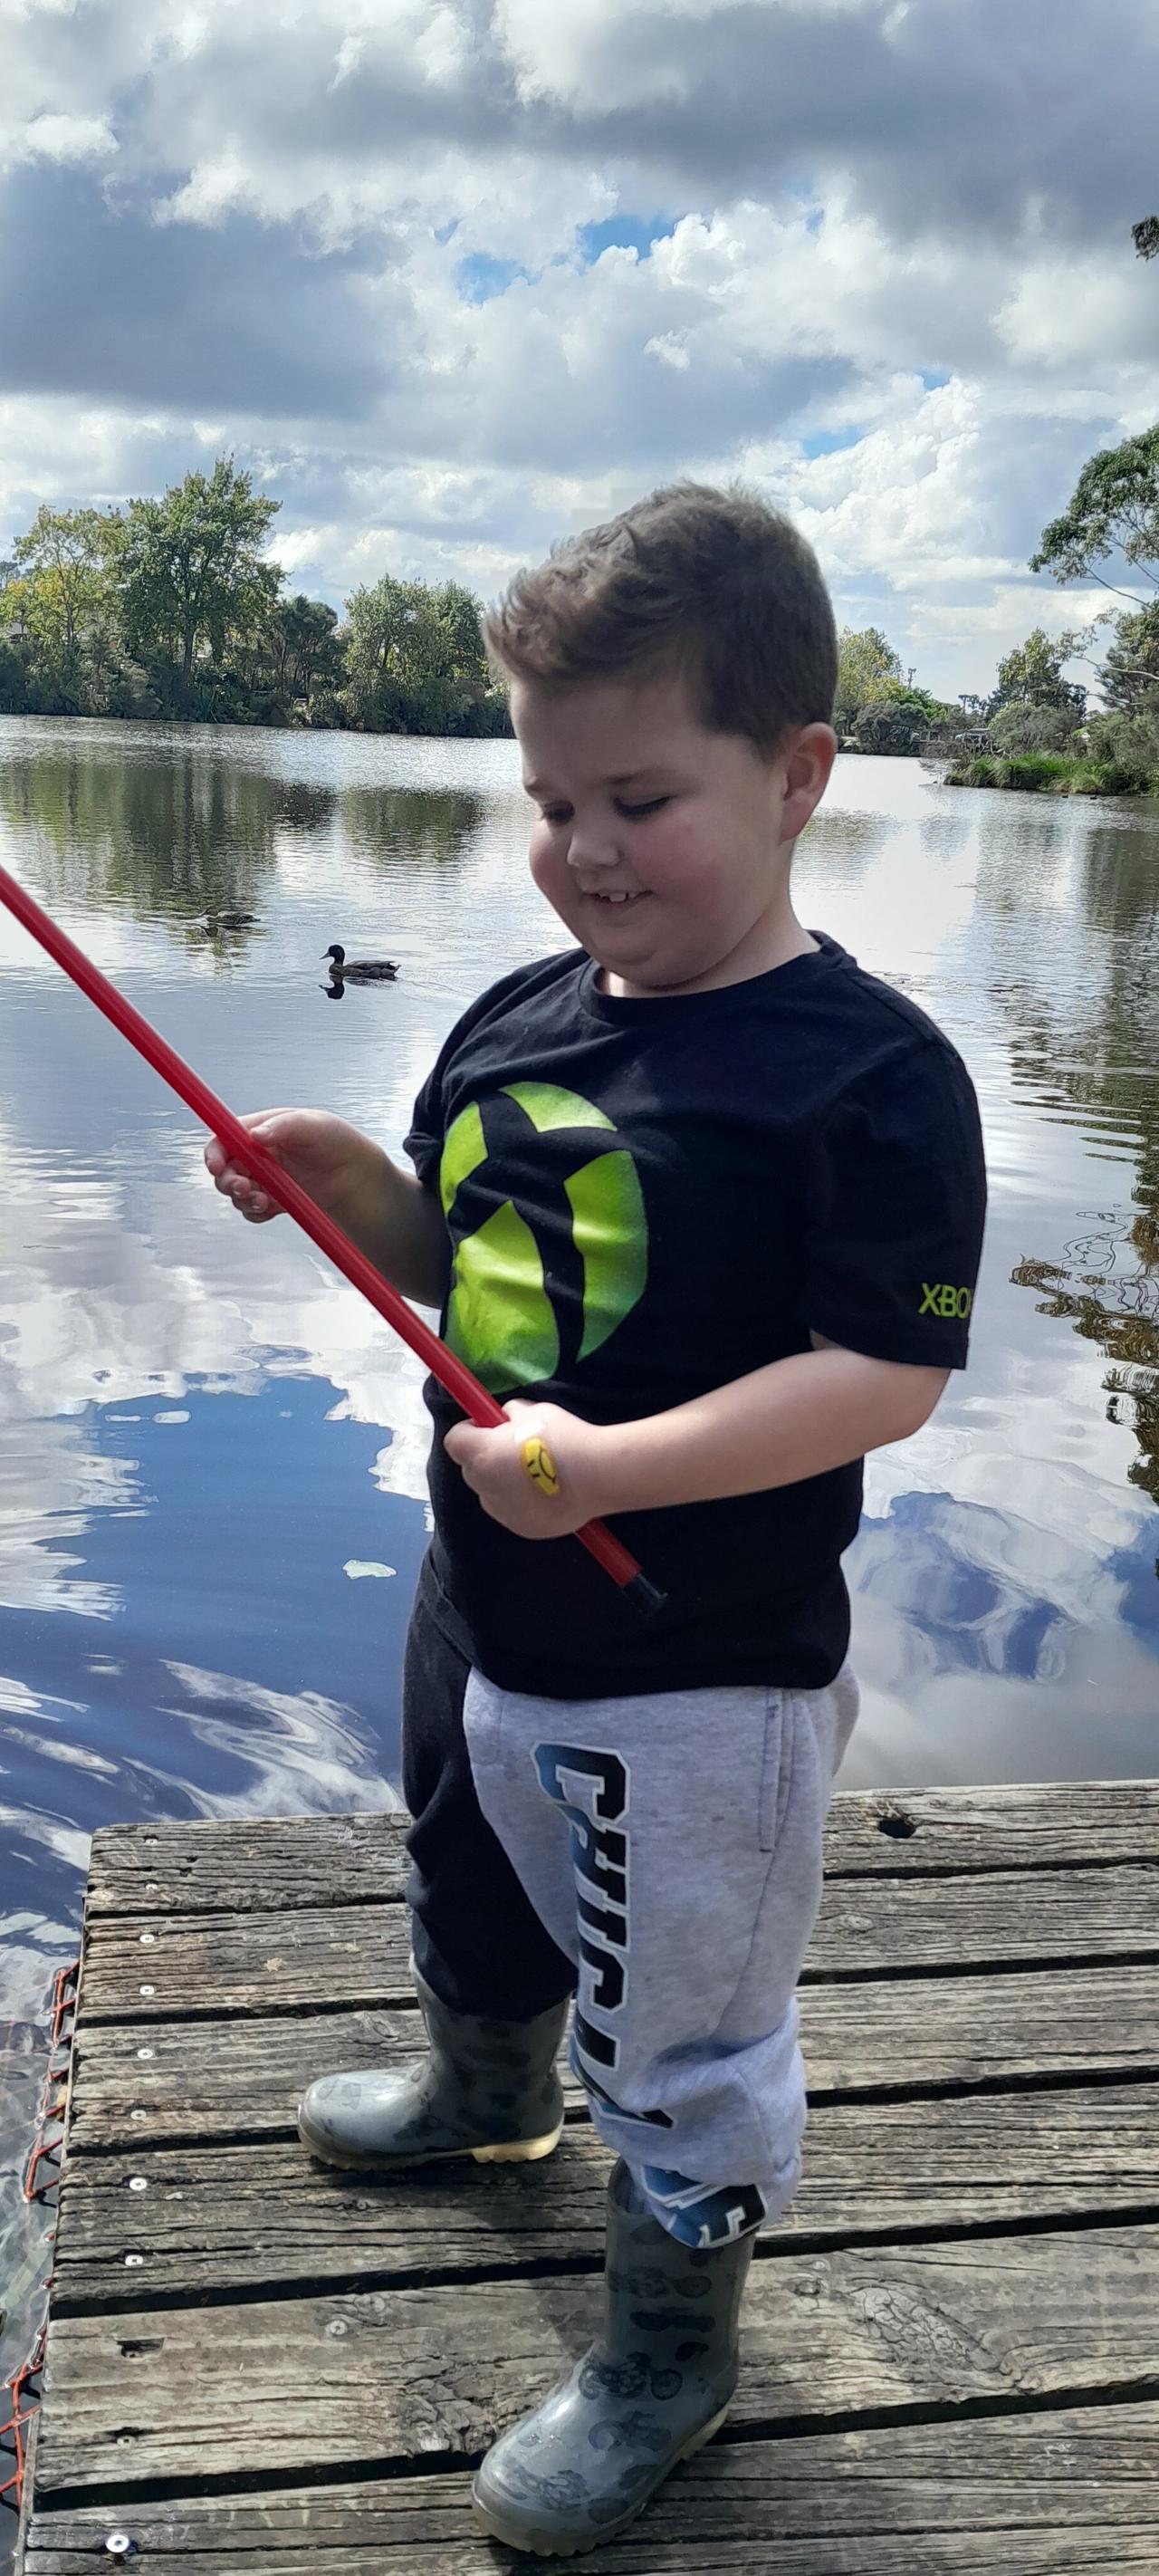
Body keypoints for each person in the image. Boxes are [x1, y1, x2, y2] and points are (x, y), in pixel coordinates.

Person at [206, 482, 987, 2557]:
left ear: (798, 776)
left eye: (641, 801)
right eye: (551, 805)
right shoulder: (514, 1018)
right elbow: (470, 1263)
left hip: (698, 1672)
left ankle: (667, 2352)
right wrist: (351, 1189)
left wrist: (613, 1472)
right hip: (483, 1600)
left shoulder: (867, 1077)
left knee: (685, 2024)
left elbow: (883, 1377)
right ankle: (485, 2098)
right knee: (464, 1869)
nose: (583, 852)